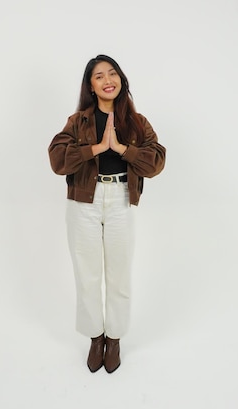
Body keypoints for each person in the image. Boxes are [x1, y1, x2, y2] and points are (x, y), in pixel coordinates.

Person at [48, 54, 166, 373]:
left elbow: (156, 160)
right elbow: (57, 159)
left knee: (119, 274)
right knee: (87, 274)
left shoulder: (137, 122)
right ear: (91, 85)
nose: (107, 80)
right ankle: (95, 337)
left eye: (112, 73)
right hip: (84, 201)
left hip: (120, 200)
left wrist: (123, 149)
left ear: (121, 80)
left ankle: (114, 339)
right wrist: (97, 148)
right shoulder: (79, 121)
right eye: (99, 76)